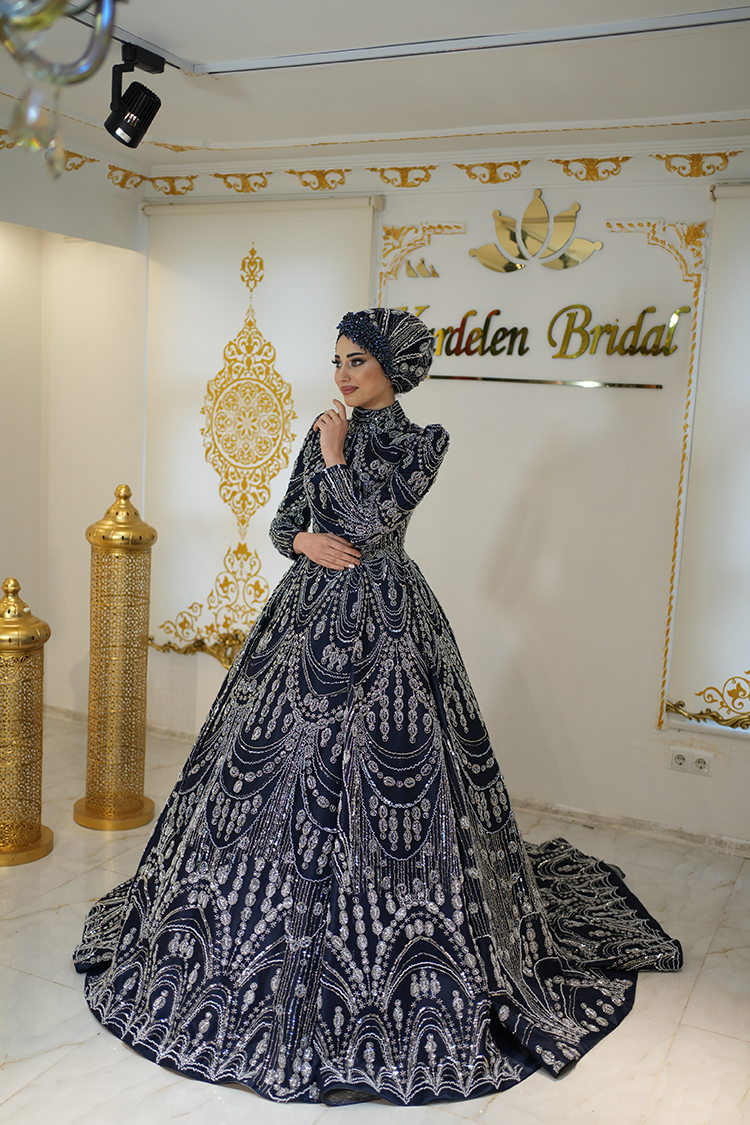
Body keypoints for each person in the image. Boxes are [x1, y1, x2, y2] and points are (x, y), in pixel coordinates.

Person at [74, 308, 682, 1106]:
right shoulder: (322, 430)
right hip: (306, 615)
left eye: (356, 360)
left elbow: (366, 521)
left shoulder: (421, 443)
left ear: (393, 365)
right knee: (268, 773)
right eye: (337, 360)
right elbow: (286, 522)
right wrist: (303, 542)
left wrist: (333, 460)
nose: (342, 374)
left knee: (394, 787)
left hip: (389, 623)